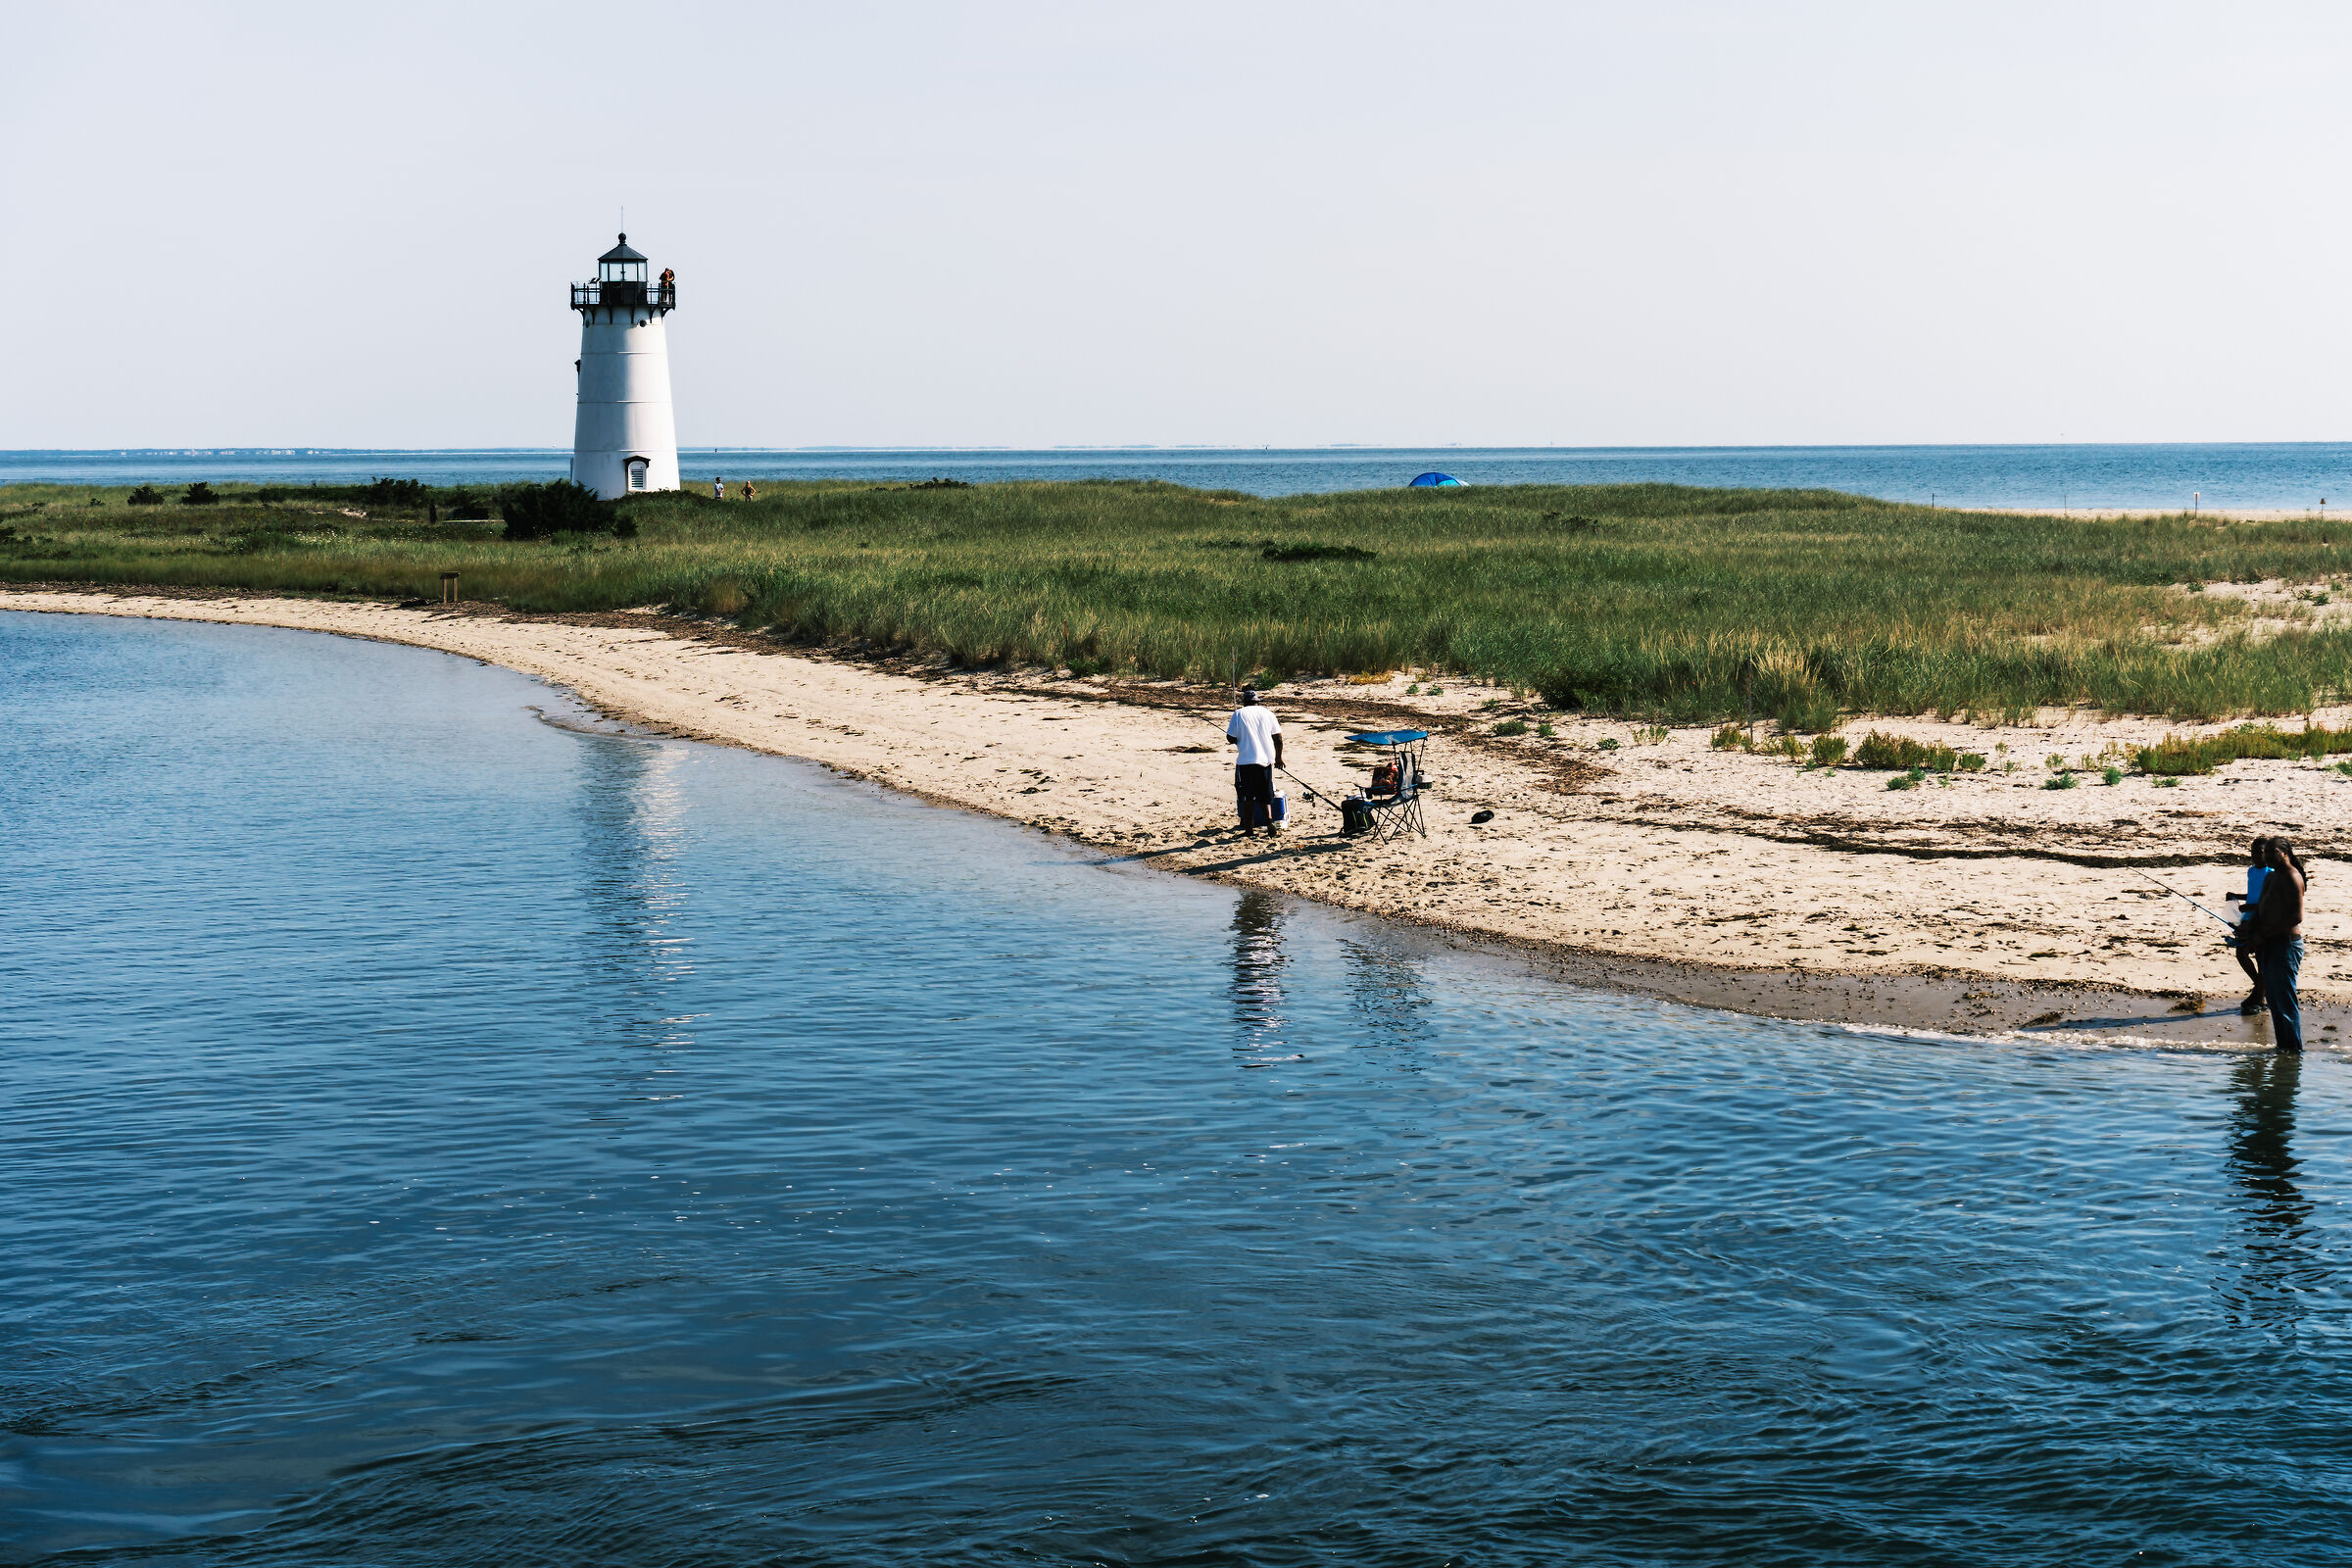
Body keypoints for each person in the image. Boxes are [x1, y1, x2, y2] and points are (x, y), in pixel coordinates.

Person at [2243, 837, 2309, 1052]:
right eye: (2267, 852)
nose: (2268, 856)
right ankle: (2283, 1049)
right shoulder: (2271, 877)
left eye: (2273, 852)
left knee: (2285, 1003)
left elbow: (2295, 917)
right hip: (2267, 943)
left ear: (2285, 853)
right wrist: (2252, 931)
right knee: (2274, 1002)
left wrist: (2263, 934)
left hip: (2286, 946)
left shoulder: (2291, 877)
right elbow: (2261, 907)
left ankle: (2293, 1052)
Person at [1225, 687, 1282, 837]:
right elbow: (1279, 739)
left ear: (1244, 702)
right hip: (1266, 761)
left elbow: (1230, 737)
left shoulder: (1238, 714)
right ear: (1257, 702)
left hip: (1246, 762)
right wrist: (1278, 758)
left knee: (1246, 796)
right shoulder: (1268, 714)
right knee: (1264, 794)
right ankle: (1269, 821)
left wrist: (1238, 739)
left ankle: (1249, 830)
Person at [2231, 837, 2273, 1015]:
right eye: (2253, 852)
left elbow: (2269, 901)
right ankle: (2259, 989)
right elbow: (2253, 894)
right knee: (2241, 953)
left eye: (2260, 852)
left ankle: (2260, 996)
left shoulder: (2270, 873)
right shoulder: (2251, 871)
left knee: (2261, 959)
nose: (2255, 855)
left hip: (2262, 920)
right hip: (2247, 919)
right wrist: (2236, 896)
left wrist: (2251, 907)